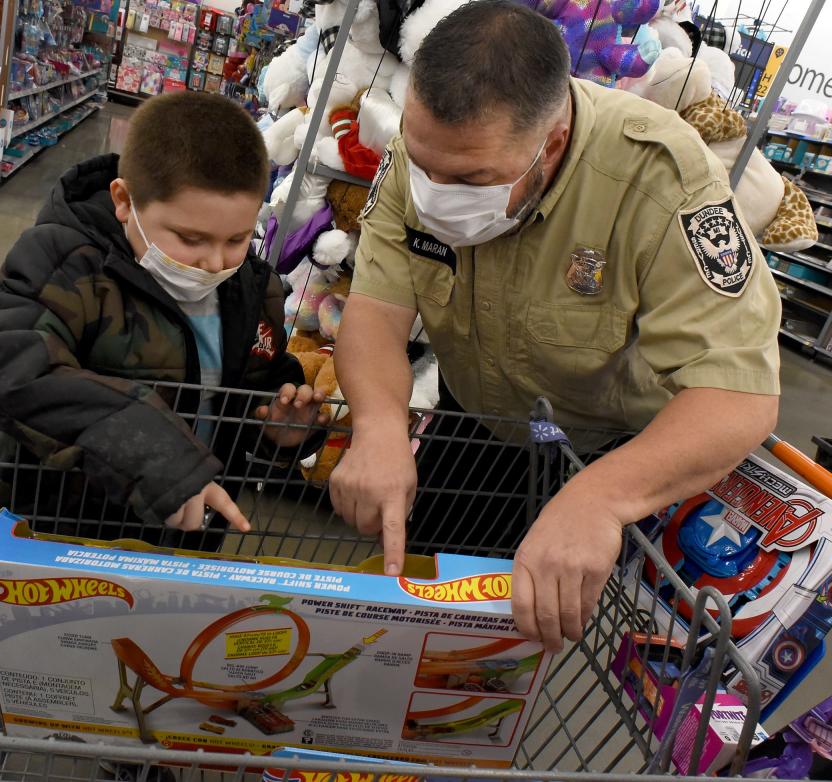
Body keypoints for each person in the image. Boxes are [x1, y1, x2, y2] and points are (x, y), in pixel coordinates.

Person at [329, 0, 781, 653]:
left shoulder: (660, 177)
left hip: (599, 448)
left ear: (555, 142)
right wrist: (375, 425)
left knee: (519, 644)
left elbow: (739, 394)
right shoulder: (425, 148)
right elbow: (376, 306)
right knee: (429, 621)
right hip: (477, 417)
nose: (433, 192)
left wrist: (602, 498)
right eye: (424, 166)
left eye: (471, 178)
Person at [0, 91, 327, 555]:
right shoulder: (68, 262)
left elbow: (254, 389)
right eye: (190, 238)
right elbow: (2, 360)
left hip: (179, 543)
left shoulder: (255, 289)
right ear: (123, 200)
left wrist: (282, 429)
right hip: (55, 540)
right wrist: (155, 453)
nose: (216, 261)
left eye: (237, 238)